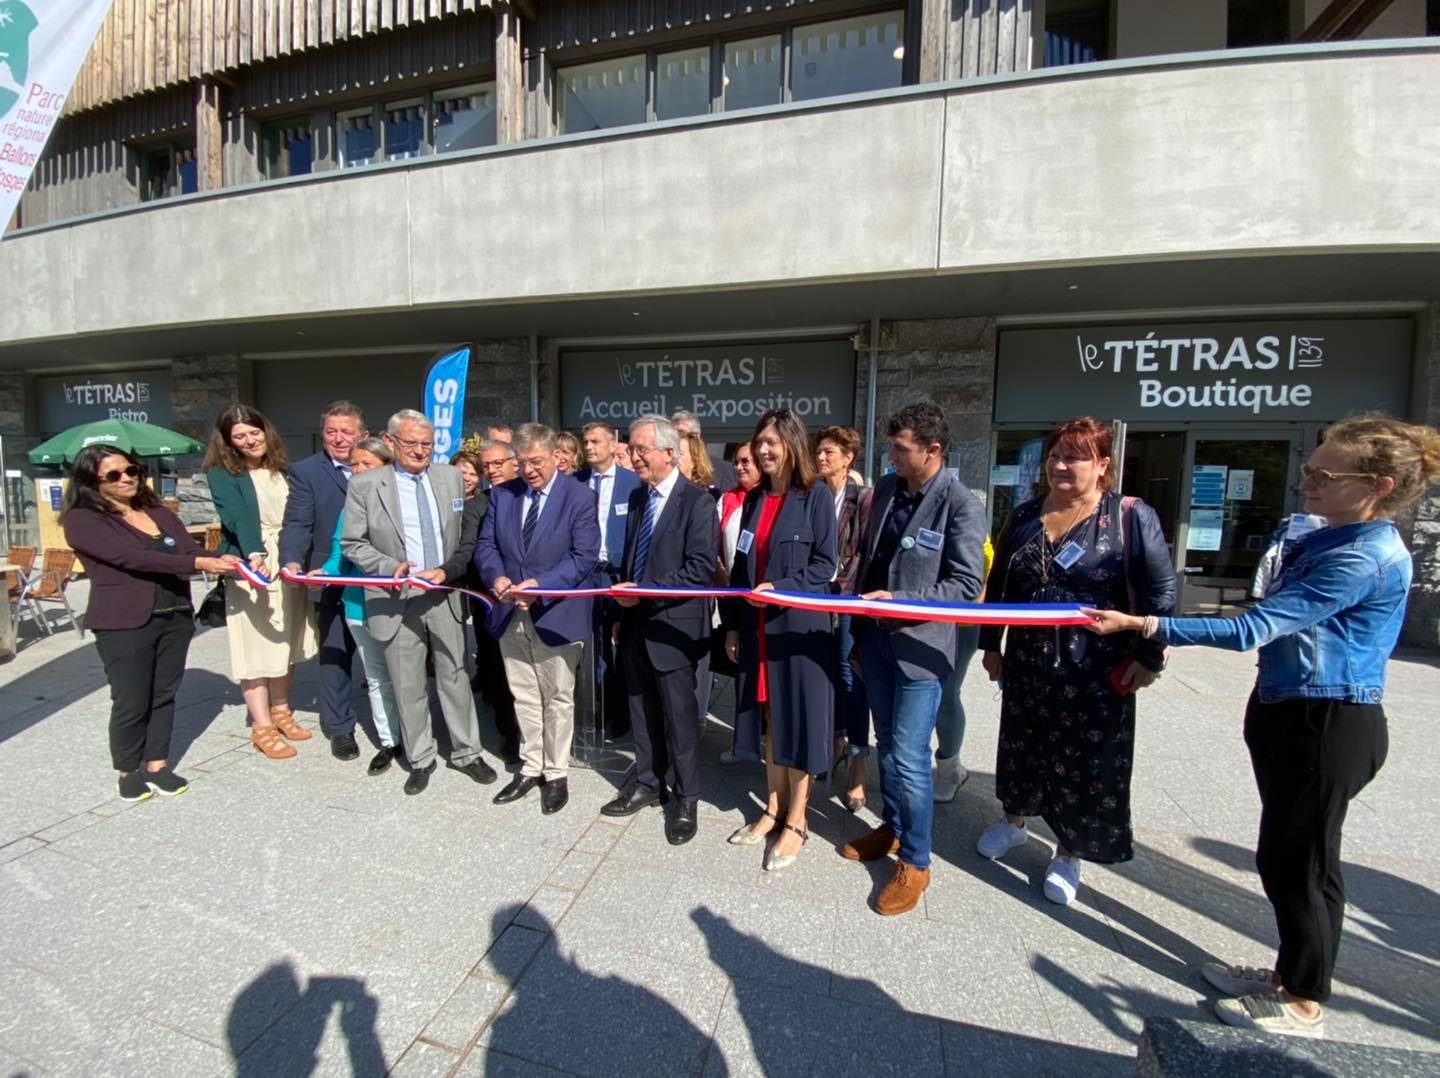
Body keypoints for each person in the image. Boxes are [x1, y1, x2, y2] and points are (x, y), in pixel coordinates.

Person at [1087, 415, 1438, 1039]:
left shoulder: (1363, 556)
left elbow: (1252, 626)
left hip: (1328, 721)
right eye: (1309, 469)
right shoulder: (1329, 537)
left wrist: (1142, 625)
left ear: (1378, 485)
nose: (1307, 484)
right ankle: (1287, 973)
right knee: (1292, 856)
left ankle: (1302, 1001)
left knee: (1298, 862)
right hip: (1291, 708)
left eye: (1324, 475)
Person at [977, 416, 1175, 907]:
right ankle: (1015, 822)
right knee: (1021, 745)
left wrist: (1149, 659)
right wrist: (991, 645)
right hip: (1027, 663)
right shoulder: (1023, 515)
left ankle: (1069, 850)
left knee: (1084, 763)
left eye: (1075, 456)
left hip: (1096, 670)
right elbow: (1000, 586)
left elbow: (1161, 593)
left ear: (1103, 465)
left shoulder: (1128, 516)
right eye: (1055, 456)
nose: (1061, 465)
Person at [841, 401, 987, 916]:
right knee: (887, 747)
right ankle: (895, 829)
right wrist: (859, 632)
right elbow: (867, 565)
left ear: (933, 450)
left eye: (901, 449)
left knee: (909, 755)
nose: (891, 457)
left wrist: (905, 602)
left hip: (921, 650)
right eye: (890, 448)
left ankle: (918, 862)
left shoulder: (962, 504)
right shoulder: (883, 490)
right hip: (876, 643)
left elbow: (968, 586)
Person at [62, 447, 239, 800]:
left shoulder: (157, 511)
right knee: (131, 698)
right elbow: (130, 558)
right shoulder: (82, 519)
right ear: (90, 482)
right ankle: (128, 769)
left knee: (164, 694)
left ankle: (157, 764)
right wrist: (200, 564)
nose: (127, 478)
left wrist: (226, 559)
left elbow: (188, 550)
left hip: (173, 615)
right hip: (123, 622)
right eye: (113, 475)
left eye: (131, 470)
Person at [340, 409, 497, 795]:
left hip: (443, 593)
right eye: (412, 443)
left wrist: (449, 570)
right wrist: (390, 565)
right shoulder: (366, 485)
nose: (421, 451)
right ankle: (421, 757)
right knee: (407, 683)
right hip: (394, 596)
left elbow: (463, 534)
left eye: (427, 443)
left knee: (455, 675)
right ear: (391, 443)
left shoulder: (449, 478)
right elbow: (352, 542)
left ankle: (466, 751)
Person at [722, 408, 837, 872]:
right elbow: (738, 568)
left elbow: (825, 565)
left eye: (773, 442)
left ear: (792, 444)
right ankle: (771, 806)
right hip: (757, 630)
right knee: (769, 717)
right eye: (760, 442)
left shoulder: (816, 496)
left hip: (799, 629)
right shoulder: (752, 501)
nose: (765, 450)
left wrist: (781, 588)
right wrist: (732, 623)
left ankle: (797, 817)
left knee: (799, 720)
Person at [601, 415, 719, 845]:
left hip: (672, 628)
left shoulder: (697, 502)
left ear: (670, 453)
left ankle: (687, 797)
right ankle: (648, 782)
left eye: (640, 449)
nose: (633, 457)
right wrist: (621, 613)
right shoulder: (637, 499)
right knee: (640, 713)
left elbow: (700, 570)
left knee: (679, 719)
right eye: (631, 449)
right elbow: (633, 560)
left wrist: (643, 594)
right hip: (633, 625)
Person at [475, 422, 600, 814]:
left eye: (538, 461)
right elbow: (486, 545)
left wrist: (540, 586)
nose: (530, 469)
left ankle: (556, 773)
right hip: (509, 610)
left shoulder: (579, 496)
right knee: (524, 695)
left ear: (556, 457)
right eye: (523, 461)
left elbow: (584, 556)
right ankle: (531, 768)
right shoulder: (503, 494)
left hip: (554, 613)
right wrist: (496, 576)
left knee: (557, 697)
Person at [206, 405, 318, 760]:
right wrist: (254, 552)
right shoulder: (223, 473)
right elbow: (236, 516)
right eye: (239, 436)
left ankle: (282, 711)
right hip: (253, 562)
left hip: (287, 558)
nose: (249, 440)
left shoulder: (283, 469)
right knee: (255, 645)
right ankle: (261, 725)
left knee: (286, 640)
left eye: (254, 432)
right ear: (228, 442)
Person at [306, 437, 405, 776]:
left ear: (387, 467)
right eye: (354, 465)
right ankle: (390, 741)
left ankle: (417, 738)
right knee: (377, 676)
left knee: (407, 675)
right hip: (359, 606)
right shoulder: (349, 508)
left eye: (367, 464)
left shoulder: (406, 501)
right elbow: (340, 555)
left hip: (402, 605)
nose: (358, 471)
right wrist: (326, 573)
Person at [279, 400, 368, 762]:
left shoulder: (381, 467)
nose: (339, 438)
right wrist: (291, 559)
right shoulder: (305, 472)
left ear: (363, 435)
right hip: (328, 576)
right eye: (331, 431)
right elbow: (298, 522)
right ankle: (340, 727)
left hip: (376, 577)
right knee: (335, 653)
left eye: (347, 431)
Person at [815, 425, 872, 813]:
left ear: (848, 457)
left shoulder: (863, 498)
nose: (821, 458)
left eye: (829, 452)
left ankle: (858, 767)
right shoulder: (815, 496)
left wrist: (844, 589)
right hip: (818, 599)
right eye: (819, 452)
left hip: (850, 600)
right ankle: (834, 743)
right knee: (827, 673)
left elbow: (864, 553)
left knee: (852, 678)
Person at [574, 422, 642, 740]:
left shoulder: (633, 483)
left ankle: (622, 712)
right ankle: (598, 711)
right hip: (587, 576)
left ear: (614, 445)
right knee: (593, 646)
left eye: (595, 441)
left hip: (618, 574)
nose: (589, 447)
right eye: (585, 441)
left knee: (621, 646)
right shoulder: (575, 483)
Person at [931, 534, 994, 802]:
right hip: (922, 616)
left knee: (946, 695)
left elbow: (989, 563)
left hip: (961, 623)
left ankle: (949, 769)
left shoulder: (967, 509)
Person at [474, 437, 522, 761]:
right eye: (486, 465)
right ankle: (509, 735)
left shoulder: (528, 496)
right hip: (494, 598)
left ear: (513, 463)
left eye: (497, 463)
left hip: (533, 597)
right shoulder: (481, 502)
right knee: (501, 673)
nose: (491, 470)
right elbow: (480, 548)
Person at [715, 442, 761, 766]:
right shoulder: (728, 498)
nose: (740, 466)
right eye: (737, 461)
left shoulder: (775, 500)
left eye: (746, 461)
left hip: (769, 599)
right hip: (736, 594)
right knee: (743, 673)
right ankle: (744, 743)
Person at [672, 410, 737, 492]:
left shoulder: (722, 469)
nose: (677, 438)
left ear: (697, 435)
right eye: (673, 434)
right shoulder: (669, 466)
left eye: (682, 433)